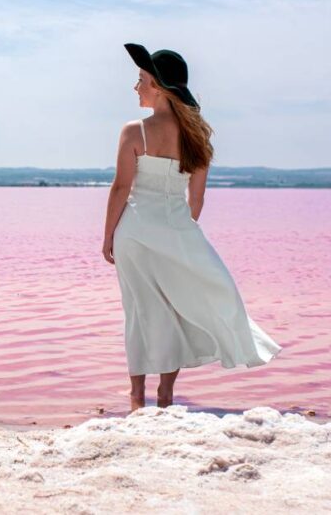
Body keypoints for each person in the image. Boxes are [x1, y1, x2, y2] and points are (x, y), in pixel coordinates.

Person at [102, 43, 282, 414]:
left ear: (160, 87)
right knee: (175, 309)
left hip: (133, 232)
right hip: (177, 231)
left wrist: (107, 238)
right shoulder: (197, 136)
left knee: (139, 310)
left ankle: (137, 399)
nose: (136, 87)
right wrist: (178, 235)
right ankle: (165, 397)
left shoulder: (134, 132)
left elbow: (121, 188)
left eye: (141, 79)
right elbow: (195, 201)